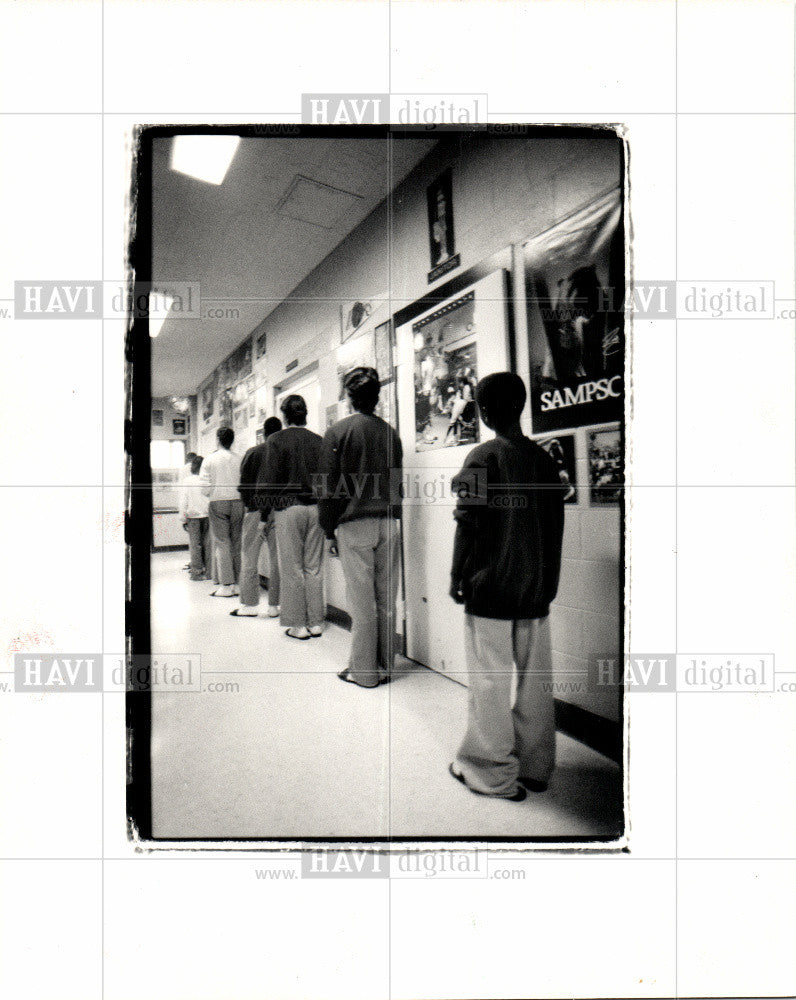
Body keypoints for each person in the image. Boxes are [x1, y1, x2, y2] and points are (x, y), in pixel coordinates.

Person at [448, 372, 565, 802]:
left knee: (489, 682)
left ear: (482, 411)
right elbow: (555, 525)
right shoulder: (545, 458)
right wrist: (546, 580)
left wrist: (456, 575)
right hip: (536, 588)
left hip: (490, 588)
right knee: (536, 682)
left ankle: (490, 772)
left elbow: (467, 522)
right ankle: (536, 766)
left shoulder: (481, 456)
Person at [317, 367, 403, 688]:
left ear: (349, 397)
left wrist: (328, 530)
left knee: (362, 602)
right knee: (386, 599)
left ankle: (364, 672)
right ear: (377, 396)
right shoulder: (391, 433)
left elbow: (327, 488)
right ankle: (386, 666)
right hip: (389, 523)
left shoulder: (338, 433)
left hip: (354, 526)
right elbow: (397, 484)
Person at [257, 395, 324, 640]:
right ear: (305, 414)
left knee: (292, 568)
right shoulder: (319, 441)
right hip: (316, 509)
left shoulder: (276, 440)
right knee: (314, 568)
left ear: (284, 415)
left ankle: (298, 625)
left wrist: (265, 516)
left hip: (288, 509)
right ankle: (316, 622)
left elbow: (270, 481)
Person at [231, 417, 282, 618]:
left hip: (254, 511)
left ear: (263, 433)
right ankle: (274, 606)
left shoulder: (252, 453)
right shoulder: (281, 453)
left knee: (249, 559)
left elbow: (243, 485)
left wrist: (250, 505)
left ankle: (250, 605)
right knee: (277, 560)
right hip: (279, 512)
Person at [200, 426, 243, 598]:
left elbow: (204, 487)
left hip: (218, 502)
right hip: (238, 502)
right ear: (232, 440)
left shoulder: (209, 460)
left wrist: (213, 493)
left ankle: (227, 585)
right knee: (236, 543)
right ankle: (239, 583)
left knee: (222, 542)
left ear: (218, 439)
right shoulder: (240, 458)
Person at [179, 455, 210, 580]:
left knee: (195, 545)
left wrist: (183, 517)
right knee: (208, 544)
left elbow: (183, 500)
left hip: (193, 516)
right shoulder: (207, 480)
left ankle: (197, 573)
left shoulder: (187, 481)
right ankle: (209, 572)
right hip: (207, 515)